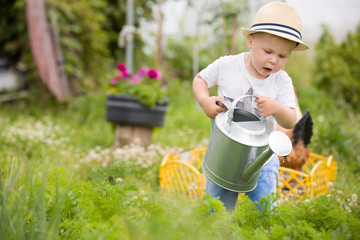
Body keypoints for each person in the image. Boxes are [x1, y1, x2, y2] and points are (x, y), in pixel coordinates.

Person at [192, 2, 309, 211]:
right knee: (216, 209)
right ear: (250, 41)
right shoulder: (227, 66)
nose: (273, 60)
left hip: (262, 161)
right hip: (224, 155)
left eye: (283, 56)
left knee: (263, 210)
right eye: (268, 51)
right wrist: (204, 101)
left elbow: (291, 119)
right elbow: (200, 79)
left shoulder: (281, 81)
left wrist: (276, 108)